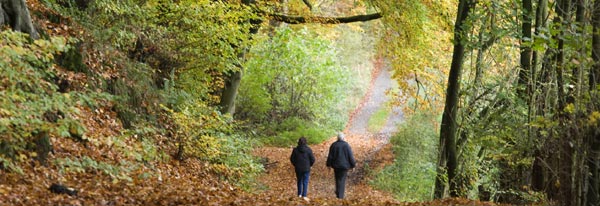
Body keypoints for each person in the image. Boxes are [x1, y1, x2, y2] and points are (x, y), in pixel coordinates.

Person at [326, 132, 356, 199]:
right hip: (344, 166)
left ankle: (338, 192)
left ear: (337, 138)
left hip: (336, 166)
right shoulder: (346, 145)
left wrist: (329, 165)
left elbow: (330, 156)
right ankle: (340, 196)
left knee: (337, 179)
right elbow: (350, 156)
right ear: (343, 138)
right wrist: (353, 165)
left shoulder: (333, 145)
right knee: (342, 180)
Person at [290, 137, 315, 201]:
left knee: (299, 181)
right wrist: (310, 165)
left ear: (298, 142)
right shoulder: (308, 149)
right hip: (306, 168)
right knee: (305, 181)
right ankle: (304, 195)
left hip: (298, 168)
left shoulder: (295, 150)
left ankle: (299, 194)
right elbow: (313, 159)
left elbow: (292, 159)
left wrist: (295, 164)